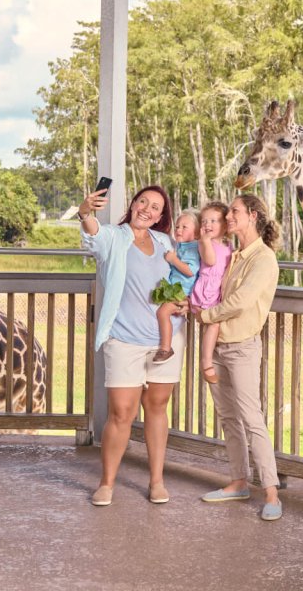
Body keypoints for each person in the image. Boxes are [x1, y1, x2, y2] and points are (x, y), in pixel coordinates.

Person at [77, 184, 184, 507]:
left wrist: (184, 301)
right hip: (124, 339)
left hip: (166, 339)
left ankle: (156, 481)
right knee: (121, 412)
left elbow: (183, 278)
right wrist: (85, 212)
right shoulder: (113, 237)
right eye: (143, 202)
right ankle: (107, 483)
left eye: (155, 207)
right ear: (133, 204)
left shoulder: (165, 242)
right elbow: (92, 232)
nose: (147, 210)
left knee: (156, 408)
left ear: (161, 217)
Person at [192, 194, 283, 521]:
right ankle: (238, 481)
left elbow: (242, 301)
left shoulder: (264, 258)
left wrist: (205, 316)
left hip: (242, 346)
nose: (229, 215)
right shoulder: (232, 255)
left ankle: (271, 492)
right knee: (228, 417)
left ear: (253, 216)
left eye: (235, 211)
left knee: (251, 418)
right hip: (217, 347)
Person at [187, 202, 232, 384]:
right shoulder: (205, 243)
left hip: (217, 291)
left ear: (225, 225)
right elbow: (211, 261)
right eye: (204, 221)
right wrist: (205, 241)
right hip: (206, 291)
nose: (208, 224)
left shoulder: (228, 245)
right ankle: (206, 363)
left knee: (215, 326)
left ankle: (212, 360)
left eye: (214, 220)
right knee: (213, 325)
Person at [152, 210, 200, 364]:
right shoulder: (181, 245)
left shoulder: (194, 248)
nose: (178, 230)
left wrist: (173, 259)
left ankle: (166, 348)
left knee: (162, 312)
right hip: (175, 289)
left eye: (184, 227)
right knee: (163, 312)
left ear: (197, 232)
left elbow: (191, 271)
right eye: (177, 226)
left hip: (182, 292)